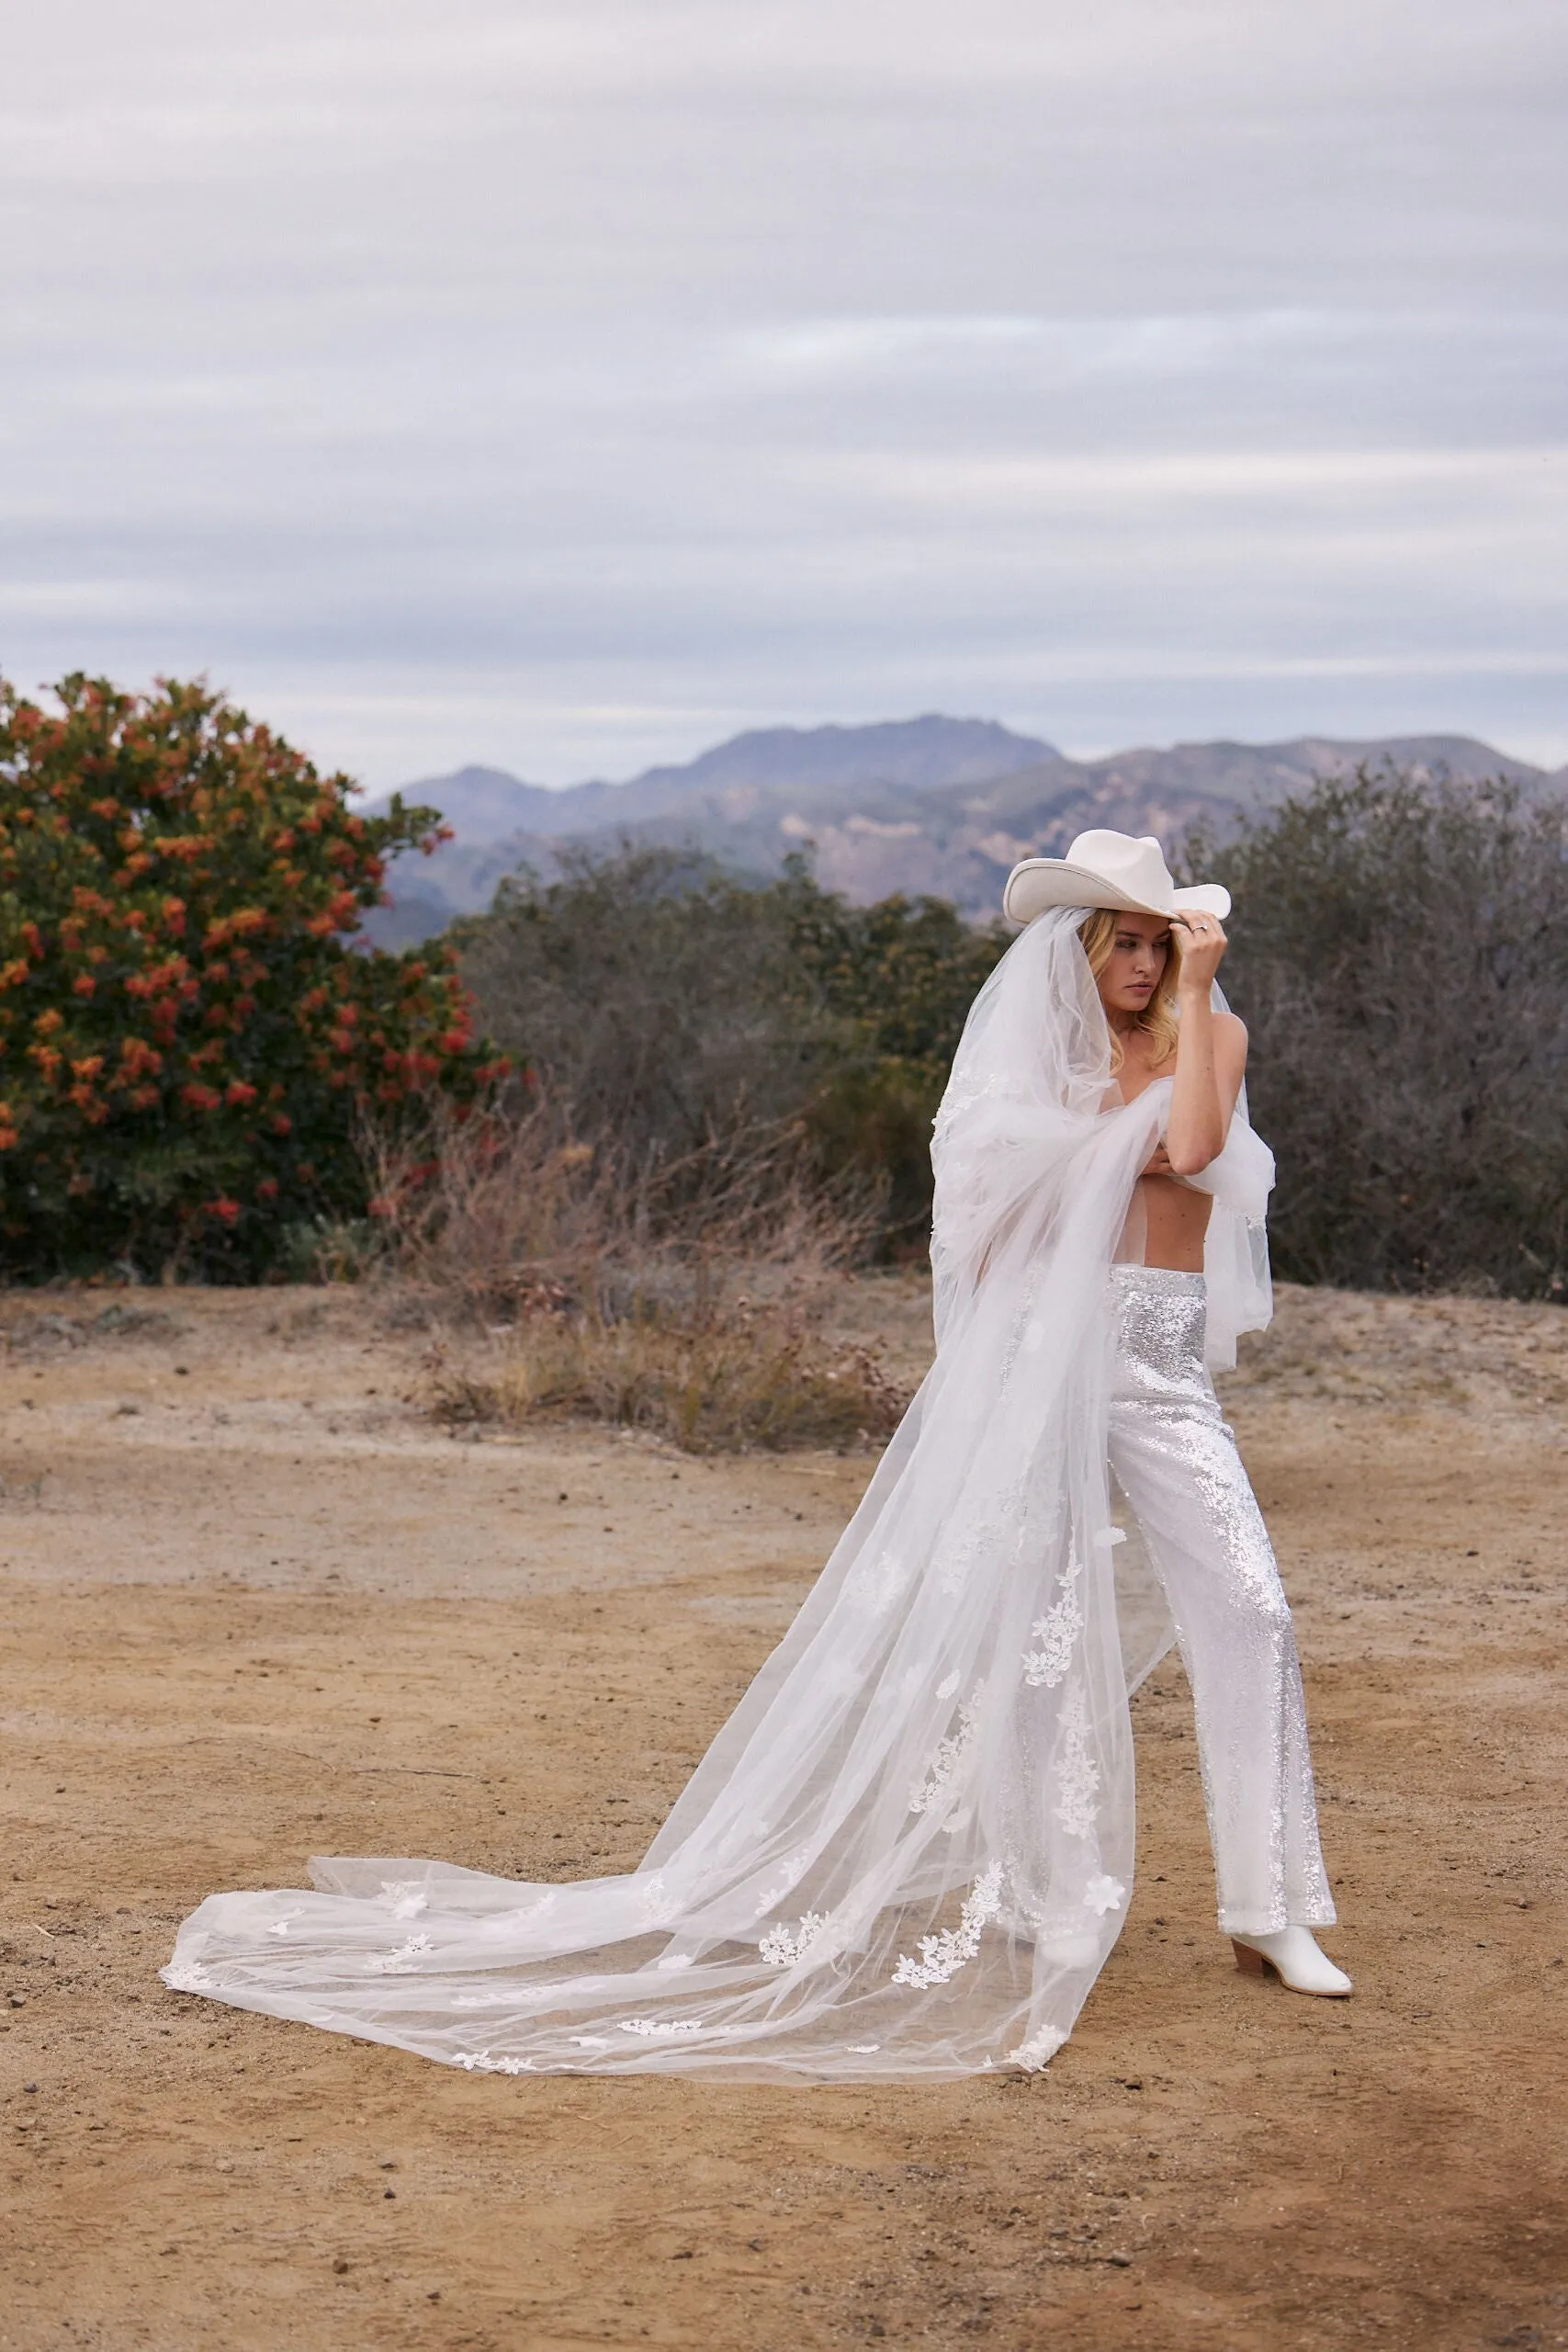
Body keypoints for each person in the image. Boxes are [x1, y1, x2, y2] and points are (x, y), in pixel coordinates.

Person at [164, 830, 1347, 2080]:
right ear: (1084, 946)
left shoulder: (1209, 1037)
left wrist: (1204, 988)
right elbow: (991, 1215)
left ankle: (1267, 1909)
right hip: (1042, 1356)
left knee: (1251, 1609)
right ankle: (1033, 1887)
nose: (1142, 961)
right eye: (1126, 940)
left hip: (1156, 1369)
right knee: (1024, 1621)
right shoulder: (1041, 1056)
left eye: (1162, 943)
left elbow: (1197, 1150)